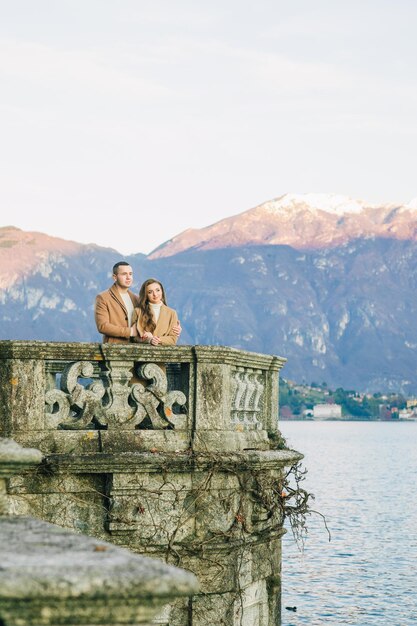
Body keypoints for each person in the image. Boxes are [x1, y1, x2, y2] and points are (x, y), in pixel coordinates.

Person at [94, 261, 140, 343]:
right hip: (113, 349)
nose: (128, 277)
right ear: (114, 277)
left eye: (130, 274)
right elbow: (103, 326)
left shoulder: (136, 299)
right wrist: (130, 332)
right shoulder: (103, 298)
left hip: (135, 349)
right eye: (124, 274)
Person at [133, 278, 180, 345]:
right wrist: (149, 340)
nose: (155, 294)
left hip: (163, 354)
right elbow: (134, 337)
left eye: (157, 290)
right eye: (150, 292)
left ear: (162, 292)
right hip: (143, 353)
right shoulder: (138, 311)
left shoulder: (172, 313)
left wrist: (157, 339)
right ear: (146, 295)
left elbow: (173, 339)